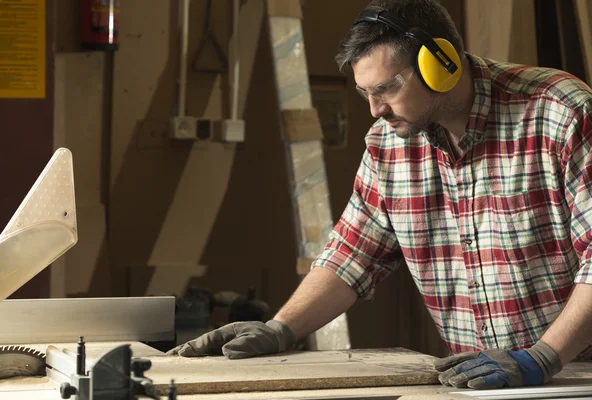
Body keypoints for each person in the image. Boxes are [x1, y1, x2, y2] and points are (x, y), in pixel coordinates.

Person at [167, 0, 592, 390]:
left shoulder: (559, 113)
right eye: (365, 93)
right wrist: (280, 329)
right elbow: (352, 255)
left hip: (577, 377)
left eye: (386, 89)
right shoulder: (389, 145)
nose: (375, 109)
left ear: (440, 64)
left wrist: (541, 357)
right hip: (482, 382)